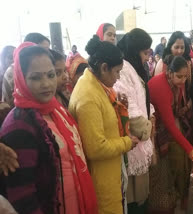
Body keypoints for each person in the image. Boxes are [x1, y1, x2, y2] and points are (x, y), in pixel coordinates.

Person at [0, 42, 97, 214]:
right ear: (21, 78)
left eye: (51, 75)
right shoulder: (19, 124)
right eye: (36, 77)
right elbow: (22, 194)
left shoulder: (55, 110)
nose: (46, 84)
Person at [69, 35, 139, 214]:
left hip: (109, 172)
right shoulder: (88, 96)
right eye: (116, 72)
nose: (117, 79)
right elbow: (96, 147)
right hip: (101, 179)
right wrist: (127, 143)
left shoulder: (96, 85)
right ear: (104, 67)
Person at [148, 55, 193, 214]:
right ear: (170, 73)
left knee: (181, 159)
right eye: (179, 76)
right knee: (166, 169)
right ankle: (166, 204)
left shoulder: (173, 84)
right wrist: (190, 150)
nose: (183, 81)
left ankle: (180, 195)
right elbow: (171, 126)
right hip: (154, 133)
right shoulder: (162, 87)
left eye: (186, 77)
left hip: (162, 128)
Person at [114, 28, 154, 214]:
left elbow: (144, 98)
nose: (147, 58)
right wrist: (148, 128)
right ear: (135, 49)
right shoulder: (122, 70)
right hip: (133, 143)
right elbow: (130, 110)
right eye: (145, 53)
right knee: (133, 201)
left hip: (141, 138)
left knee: (141, 198)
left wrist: (151, 115)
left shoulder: (134, 67)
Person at [2, 33, 50, 107]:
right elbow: (14, 103)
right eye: (44, 50)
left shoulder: (44, 67)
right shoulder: (14, 71)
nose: (48, 54)